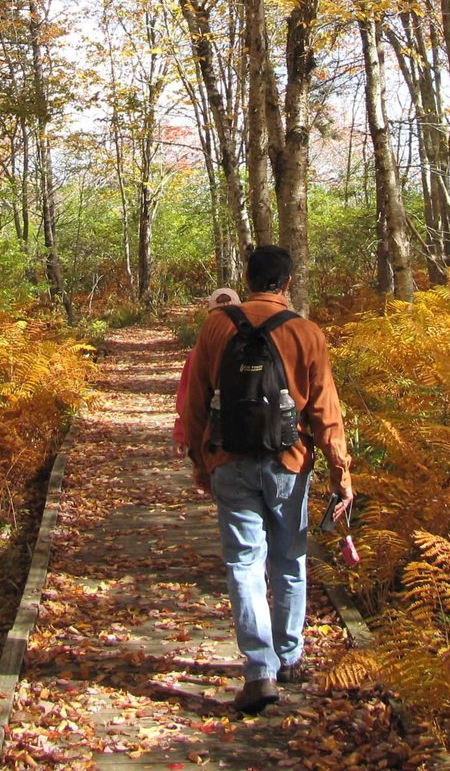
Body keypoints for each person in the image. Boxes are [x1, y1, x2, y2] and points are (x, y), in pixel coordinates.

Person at [182, 245, 354, 715]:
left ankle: (258, 670)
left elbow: (195, 397)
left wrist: (201, 459)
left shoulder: (217, 326)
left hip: (230, 461)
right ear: (288, 282)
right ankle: (290, 655)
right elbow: (326, 412)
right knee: (290, 560)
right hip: (289, 463)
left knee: (243, 563)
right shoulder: (306, 332)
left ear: (248, 278)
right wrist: (341, 474)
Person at [174, 287, 240, 456]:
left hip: (217, 441)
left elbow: (188, 399)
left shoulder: (199, 352)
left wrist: (184, 436)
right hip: (235, 441)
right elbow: (187, 397)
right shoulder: (198, 353)